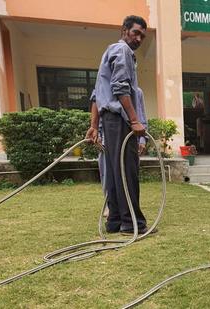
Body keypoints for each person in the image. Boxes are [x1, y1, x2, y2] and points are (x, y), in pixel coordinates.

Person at [85, 15, 150, 234]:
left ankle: (114, 222)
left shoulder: (109, 52)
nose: (139, 38)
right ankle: (133, 223)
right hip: (119, 120)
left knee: (113, 171)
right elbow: (120, 88)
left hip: (108, 121)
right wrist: (135, 120)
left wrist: (94, 125)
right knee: (126, 171)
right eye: (136, 33)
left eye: (142, 35)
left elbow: (96, 95)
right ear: (124, 31)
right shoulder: (122, 51)